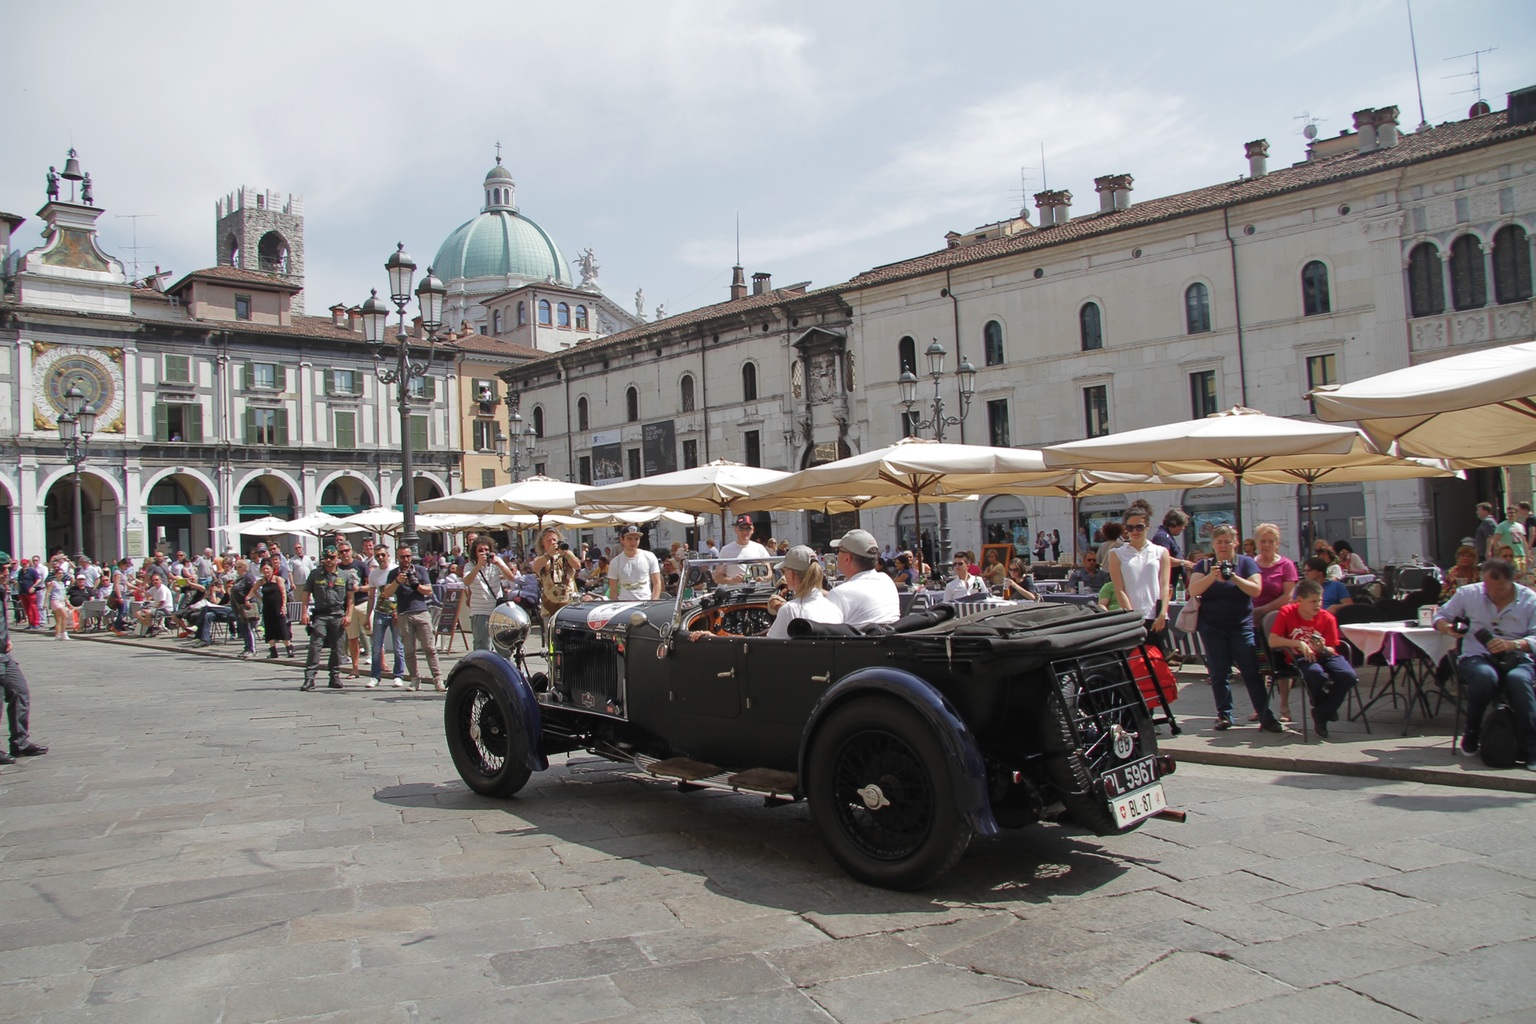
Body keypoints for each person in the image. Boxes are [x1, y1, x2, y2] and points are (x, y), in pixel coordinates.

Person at [1433, 558, 1536, 769]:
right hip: (1476, 655)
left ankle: (1531, 745)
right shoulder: (1469, 593)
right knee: (1484, 676)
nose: (1492, 594)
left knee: (1519, 680)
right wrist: (1448, 628)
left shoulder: (1530, 600)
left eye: (1499, 589)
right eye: (1488, 587)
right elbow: (1440, 616)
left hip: (1516, 657)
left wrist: (1512, 644)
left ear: (1512, 581)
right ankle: (1472, 732)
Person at [1190, 524, 1280, 733]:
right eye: (1219, 542)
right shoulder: (1204, 566)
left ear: (1235, 542)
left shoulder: (1246, 563)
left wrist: (1233, 577)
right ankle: (1224, 715)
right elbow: (1193, 589)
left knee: (1251, 672)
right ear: (1213, 543)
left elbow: (1256, 590)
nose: (1223, 546)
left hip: (1241, 626)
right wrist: (1212, 576)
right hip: (1212, 627)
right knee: (1219, 673)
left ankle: (1265, 716)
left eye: (1227, 542)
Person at [1268, 579, 1360, 739]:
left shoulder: (1327, 617)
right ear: (1299, 601)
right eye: (1313, 601)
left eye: (1320, 600)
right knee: (1315, 675)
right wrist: (1298, 643)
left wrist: (1322, 649)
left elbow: (1332, 648)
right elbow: (1272, 640)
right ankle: (1325, 713)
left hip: (1325, 655)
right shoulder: (1287, 612)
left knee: (1348, 676)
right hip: (1301, 657)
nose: (1317, 605)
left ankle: (1322, 712)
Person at [0, 553, 48, 767]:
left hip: (4, 653)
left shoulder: (2, 590)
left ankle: (20, 742)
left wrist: (6, 639)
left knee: (20, 692)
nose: (6, 573)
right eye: (2, 569)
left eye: (7, 568)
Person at [1252, 522, 1300, 721]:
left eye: (1271, 541)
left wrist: (1263, 610)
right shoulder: (1250, 564)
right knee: (1258, 664)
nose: (1266, 545)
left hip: (1277, 621)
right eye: (1263, 541)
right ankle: (1260, 707)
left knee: (1280, 663)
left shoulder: (1286, 565)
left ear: (1277, 544)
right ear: (1256, 543)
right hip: (1253, 620)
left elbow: (1289, 596)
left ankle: (1284, 706)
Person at [1109, 508, 1173, 655]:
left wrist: (1163, 614)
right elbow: (1119, 589)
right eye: (1130, 527)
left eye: (1139, 526)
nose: (1135, 531)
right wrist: (1131, 617)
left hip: (1155, 615)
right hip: (1132, 617)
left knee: (1156, 663)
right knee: (1133, 664)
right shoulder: (1117, 554)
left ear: (1147, 527)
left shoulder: (1161, 551)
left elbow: (1164, 586)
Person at [381, 545, 442, 691]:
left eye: (408, 556)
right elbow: (386, 593)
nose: (406, 559)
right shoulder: (394, 573)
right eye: (402, 557)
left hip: (421, 611)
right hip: (403, 613)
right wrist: (397, 582)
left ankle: (438, 679)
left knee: (429, 648)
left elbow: (429, 591)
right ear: (398, 557)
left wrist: (415, 585)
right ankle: (415, 679)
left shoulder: (420, 570)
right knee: (409, 650)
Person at [301, 546, 354, 692]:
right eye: (327, 558)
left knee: (337, 647)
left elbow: (350, 598)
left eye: (332, 557)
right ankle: (310, 678)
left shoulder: (345, 575)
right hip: (321, 615)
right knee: (315, 645)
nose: (329, 561)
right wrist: (304, 612)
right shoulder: (315, 574)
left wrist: (349, 615)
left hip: (337, 614)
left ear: (337, 558)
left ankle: (334, 676)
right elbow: (305, 594)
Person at [827, 529, 901, 628]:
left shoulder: (839, 594)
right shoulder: (886, 580)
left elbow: (826, 633)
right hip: (889, 640)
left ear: (847, 558)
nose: (837, 554)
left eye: (838, 550)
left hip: (858, 642)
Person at [764, 546, 843, 638]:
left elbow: (771, 647)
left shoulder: (790, 609)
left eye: (783, 570)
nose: (783, 574)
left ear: (792, 573)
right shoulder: (835, 609)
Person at [463, 538, 518, 651]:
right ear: (475, 552)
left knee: (503, 646)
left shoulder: (496, 562)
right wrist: (478, 566)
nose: (484, 553)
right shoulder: (470, 566)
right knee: (483, 646)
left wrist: (499, 564)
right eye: (480, 550)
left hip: (497, 610)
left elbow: (511, 578)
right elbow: (467, 581)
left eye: (486, 550)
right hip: (480, 611)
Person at [368, 545, 406, 687]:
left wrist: (398, 611)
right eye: (377, 556)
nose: (380, 558)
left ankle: (398, 675)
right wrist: (367, 616)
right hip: (380, 611)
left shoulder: (395, 570)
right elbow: (372, 596)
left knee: (398, 646)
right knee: (376, 646)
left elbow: (401, 593)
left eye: (383, 555)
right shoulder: (374, 574)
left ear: (388, 555)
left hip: (395, 611)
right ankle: (375, 676)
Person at [531, 528, 581, 624]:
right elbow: (536, 566)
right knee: (550, 637)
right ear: (542, 543)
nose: (552, 542)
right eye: (548, 541)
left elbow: (577, 565)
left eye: (554, 540)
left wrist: (565, 553)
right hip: (549, 607)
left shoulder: (567, 555)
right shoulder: (541, 559)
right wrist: (549, 554)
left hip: (569, 606)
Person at [713, 514, 771, 585]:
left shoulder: (760, 548)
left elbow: (769, 572)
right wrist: (731, 580)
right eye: (741, 529)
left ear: (752, 530)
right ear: (736, 530)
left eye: (748, 529)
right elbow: (717, 577)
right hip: (734, 592)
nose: (745, 532)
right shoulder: (726, 550)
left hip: (756, 592)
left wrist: (763, 579)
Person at [609, 527, 663, 601]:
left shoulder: (650, 557)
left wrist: (653, 602)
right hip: (624, 604)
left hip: (646, 603)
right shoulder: (615, 562)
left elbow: (657, 583)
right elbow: (613, 590)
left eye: (636, 539)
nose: (633, 542)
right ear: (622, 540)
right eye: (629, 539)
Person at [257, 560, 294, 659]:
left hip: (278, 606)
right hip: (267, 608)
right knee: (269, 629)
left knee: (282, 627)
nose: (266, 571)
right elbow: (253, 590)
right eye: (263, 569)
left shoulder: (278, 579)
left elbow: (283, 593)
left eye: (267, 569)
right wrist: (259, 599)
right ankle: (273, 650)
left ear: (272, 569)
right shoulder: (262, 581)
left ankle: (289, 648)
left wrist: (283, 606)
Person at [1493, 504, 1528, 569]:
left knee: (1522, 576)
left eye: (1512, 512)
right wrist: (1501, 553)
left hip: (1521, 555)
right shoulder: (1501, 526)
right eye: (1509, 513)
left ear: (1516, 513)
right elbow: (1495, 541)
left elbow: (1524, 541)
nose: (1510, 514)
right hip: (1510, 556)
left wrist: (1527, 555)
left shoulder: (1520, 526)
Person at [16, 557, 42, 630]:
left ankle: (36, 623)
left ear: (28, 564)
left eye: (25, 564)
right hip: (23, 592)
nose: (24, 565)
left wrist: (33, 586)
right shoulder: (20, 572)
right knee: (27, 609)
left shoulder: (32, 571)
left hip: (30, 592)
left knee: (33, 607)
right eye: (23, 564)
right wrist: (18, 590)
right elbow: (18, 581)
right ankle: (31, 623)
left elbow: (38, 579)